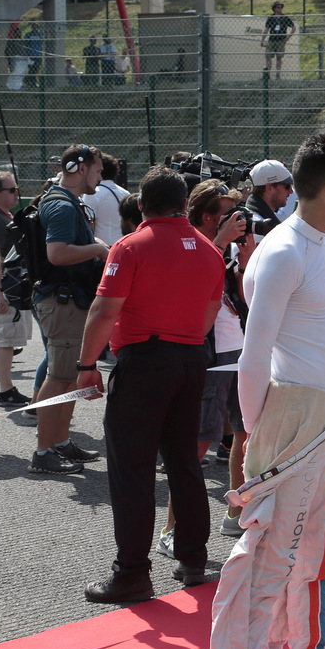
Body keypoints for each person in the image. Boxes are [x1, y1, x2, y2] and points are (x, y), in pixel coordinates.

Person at [210, 133, 325, 649]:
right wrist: (257, 432)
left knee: (312, 556)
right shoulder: (283, 251)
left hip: (322, 413)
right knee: (273, 558)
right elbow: (254, 354)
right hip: (292, 418)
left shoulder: (320, 243)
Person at [80, 167, 226, 604]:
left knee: (132, 469)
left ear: (141, 204)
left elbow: (104, 310)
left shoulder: (131, 246)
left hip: (145, 360)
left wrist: (87, 364)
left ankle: (132, 573)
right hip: (190, 358)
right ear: (185, 204)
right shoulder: (208, 250)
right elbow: (210, 312)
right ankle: (193, 558)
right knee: (184, 461)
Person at [30, 145, 111, 476]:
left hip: (70, 301)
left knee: (67, 377)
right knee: (59, 376)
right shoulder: (62, 206)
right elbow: (57, 253)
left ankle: (60, 443)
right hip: (62, 303)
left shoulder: (64, 200)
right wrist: (98, 249)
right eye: (97, 170)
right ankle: (43, 452)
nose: (100, 177)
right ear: (79, 168)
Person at [185, 180, 254, 540]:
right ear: (208, 217)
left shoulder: (224, 248)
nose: (237, 220)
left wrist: (246, 256)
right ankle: (175, 529)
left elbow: (247, 295)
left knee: (245, 431)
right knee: (198, 441)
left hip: (238, 347)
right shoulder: (192, 244)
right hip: (208, 353)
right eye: (228, 214)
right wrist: (223, 242)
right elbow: (192, 282)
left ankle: (235, 513)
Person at [0, 172, 29, 407]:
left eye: (17, 188)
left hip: (5, 286)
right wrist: (1, 292)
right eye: (12, 190)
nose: (16, 194)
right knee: (5, 340)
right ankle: (7, 390)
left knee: (2, 337)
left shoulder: (3, 216)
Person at [82, 153, 129, 246]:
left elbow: (89, 226)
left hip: (101, 249)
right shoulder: (125, 193)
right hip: (123, 245)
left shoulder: (92, 194)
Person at [246, 159, 293, 237]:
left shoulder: (260, 221)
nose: (291, 191)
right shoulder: (258, 229)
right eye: (287, 187)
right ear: (269, 188)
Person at [260, 2, 295, 79]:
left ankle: (278, 75)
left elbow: (293, 27)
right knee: (268, 56)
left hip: (281, 40)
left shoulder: (285, 18)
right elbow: (266, 29)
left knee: (279, 58)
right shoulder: (271, 18)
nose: (280, 9)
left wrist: (289, 36)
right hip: (272, 40)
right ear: (274, 9)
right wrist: (262, 40)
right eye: (278, 7)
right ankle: (267, 74)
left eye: (281, 7)